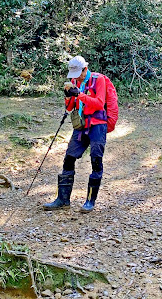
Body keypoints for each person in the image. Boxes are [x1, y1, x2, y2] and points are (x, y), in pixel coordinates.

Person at [43, 56, 108, 213]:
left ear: (85, 69)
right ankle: (63, 199)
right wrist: (68, 96)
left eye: (78, 73)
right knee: (69, 158)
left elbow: (99, 103)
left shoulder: (99, 80)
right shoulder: (75, 82)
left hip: (97, 125)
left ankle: (90, 201)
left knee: (96, 161)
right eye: (73, 74)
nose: (75, 77)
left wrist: (79, 94)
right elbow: (71, 106)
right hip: (80, 125)